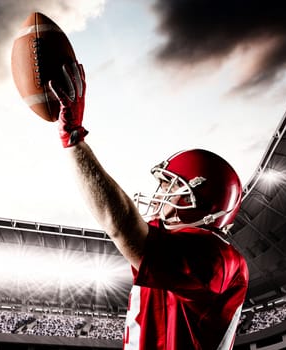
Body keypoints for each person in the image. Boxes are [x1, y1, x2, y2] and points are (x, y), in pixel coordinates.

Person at [47, 63, 249, 350]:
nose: (159, 194)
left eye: (170, 187)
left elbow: (123, 228)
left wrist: (74, 140)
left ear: (201, 201)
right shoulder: (172, 251)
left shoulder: (218, 256)